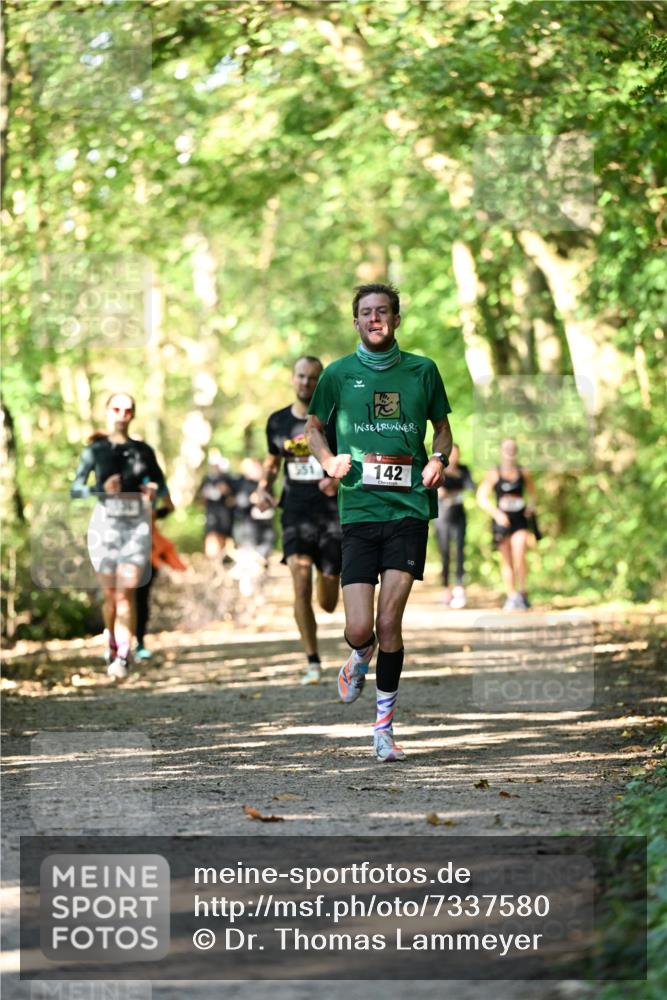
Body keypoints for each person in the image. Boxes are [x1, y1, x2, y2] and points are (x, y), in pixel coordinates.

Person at [305, 283, 452, 761]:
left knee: (390, 622)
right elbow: (313, 428)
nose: (374, 319)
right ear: (356, 322)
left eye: (382, 311)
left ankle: (384, 728)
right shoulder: (337, 375)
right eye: (366, 313)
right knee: (358, 628)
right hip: (359, 512)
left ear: (396, 319)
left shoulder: (423, 370)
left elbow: (442, 428)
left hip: (409, 510)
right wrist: (328, 460)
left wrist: (438, 459)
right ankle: (358, 654)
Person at [256, 357, 342, 685]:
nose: (306, 383)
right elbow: (272, 463)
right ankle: (313, 661)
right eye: (301, 376)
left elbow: (352, 459)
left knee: (329, 600)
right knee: (300, 582)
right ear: (293, 379)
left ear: (320, 382)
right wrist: (263, 488)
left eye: (312, 378)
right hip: (294, 513)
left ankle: (328, 577)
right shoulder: (277, 421)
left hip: (331, 515)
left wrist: (337, 480)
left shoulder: (335, 419)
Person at [71, 392, 168, 680]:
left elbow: (162, 487)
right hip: (104, 526)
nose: (122, 414)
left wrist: (152, 491)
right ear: (107, 412)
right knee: (111, 595)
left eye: (127, 410)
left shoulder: (143, 451)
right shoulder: (95, 450)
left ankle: (123, 655)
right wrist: (100, 490)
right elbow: (75, 489)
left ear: (133, 414)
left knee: (126, 594)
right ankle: (111, 643)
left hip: (136, 526)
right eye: (116, 409)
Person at [476, 438, 538, 610]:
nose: (510, 451)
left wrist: (531, 507)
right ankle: (511, 595)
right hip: (502, 523)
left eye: (513, 448)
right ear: (501, 451)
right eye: (507, 448)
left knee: (520, 553)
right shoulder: (494, 473)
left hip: (520, 521)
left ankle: (523, 593)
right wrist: (497, 514)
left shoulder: (523, 472)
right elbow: (481, 497)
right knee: (507, 560)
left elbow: (533, 494)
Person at [134, 494, 185, 660]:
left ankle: (139, 642)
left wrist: (154, 512)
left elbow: (169, 507)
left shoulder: (153, 484)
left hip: (147, 552)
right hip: (121, 549)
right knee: (121, 599)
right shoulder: (114, 486)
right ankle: (117, 645)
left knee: (141, 598)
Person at [435, 444, 475, 609]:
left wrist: (451, 486)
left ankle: (459, 587)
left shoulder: (463, 469)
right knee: (445, 552)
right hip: (442, 516)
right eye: (451, 454)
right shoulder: (439, 469)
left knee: (459, 549)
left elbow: (471, 486)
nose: (454, 457)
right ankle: (446, 588)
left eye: (457, 454)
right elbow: (434, 488)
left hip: (459, 515)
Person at [198, 451, 236, 561]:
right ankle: (213, 560)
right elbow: (199, 498)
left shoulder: (227, 478)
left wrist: (226, 491)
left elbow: (233, 498)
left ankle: (222, 560)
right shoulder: (206, 479)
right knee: (212, 537)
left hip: (224, 515)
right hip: (211, 513)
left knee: (223, 537)